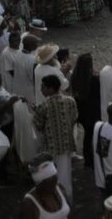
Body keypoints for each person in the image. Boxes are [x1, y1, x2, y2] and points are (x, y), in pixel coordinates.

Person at [34, 74, 78, 204]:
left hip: (50, 148)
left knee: (50, 177)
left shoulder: (43, 105)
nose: (41, 89)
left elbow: (38, 125)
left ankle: (54, 203)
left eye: (43, 87)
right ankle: (66, 203)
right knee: (65, 178)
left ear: (51, 89)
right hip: (65, 145)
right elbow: (74, 118)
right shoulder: (70, 101)